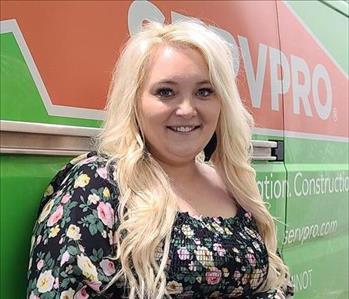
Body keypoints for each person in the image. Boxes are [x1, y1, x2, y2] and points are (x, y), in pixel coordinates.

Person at [27, 21, 294, 299]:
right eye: (166, 92)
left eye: (204, 91)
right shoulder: (97, 186)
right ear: (134, 101)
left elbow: (278, 282)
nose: (187, 110)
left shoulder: (234, 186)